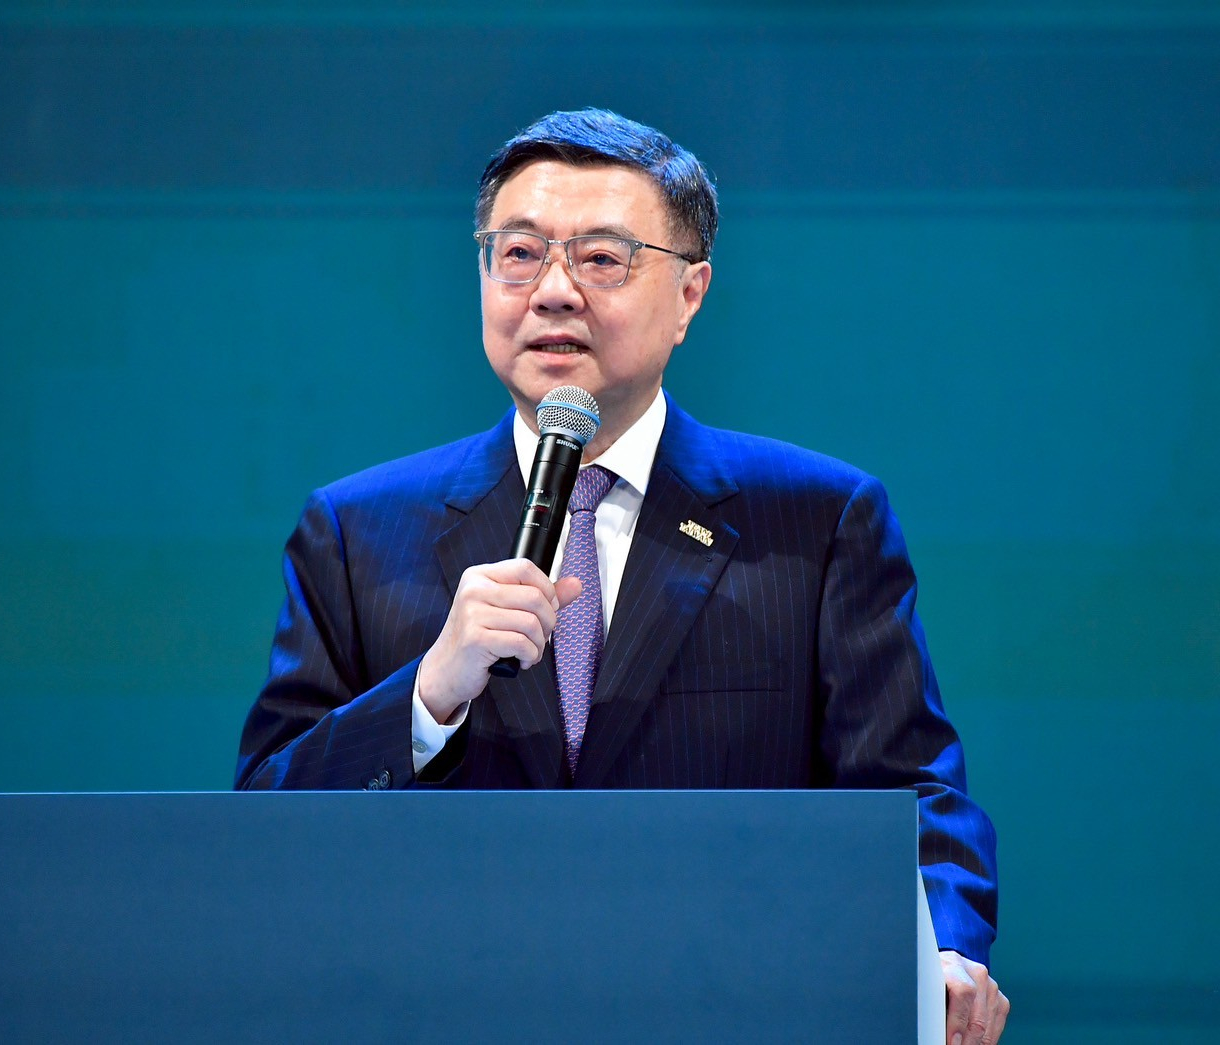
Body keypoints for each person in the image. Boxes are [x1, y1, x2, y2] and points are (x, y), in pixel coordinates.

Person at [236, 108, 1008, 1044]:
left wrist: (944, 949)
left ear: (689, 293)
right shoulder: (358, 530)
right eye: (518, 254)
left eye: (602, 258)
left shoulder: (815, 519)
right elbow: (261, 830)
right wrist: (428, 695)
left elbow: (911, 792)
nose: (552, 291)